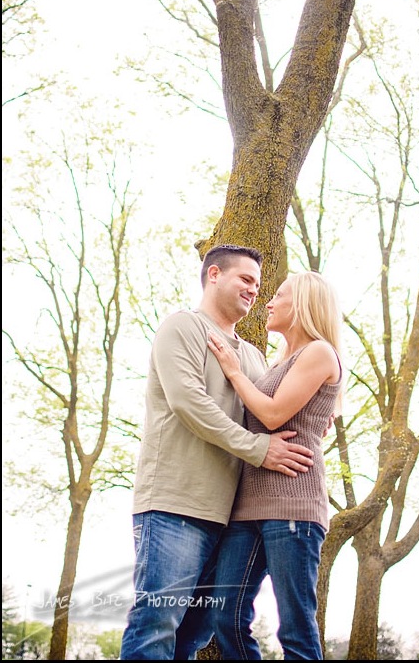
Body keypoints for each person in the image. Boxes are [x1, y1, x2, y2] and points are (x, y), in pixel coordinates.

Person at [120, 245, 315, 661]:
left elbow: (274, 412)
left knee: (191, 638)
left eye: (259, 285)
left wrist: (324, 403)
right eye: (245, 279)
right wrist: (258, 450)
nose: (254, 290)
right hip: (175, 507)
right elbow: (189, 403)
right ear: (212, 275)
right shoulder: (181, 328)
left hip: (228, 522)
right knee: (156, 626)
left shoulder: (252, 357)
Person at [207, 270, 344, 660]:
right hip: (247, 505)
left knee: (297, 630)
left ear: (301, 304)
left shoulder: (318, 352)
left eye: (279, 295)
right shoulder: (279, 364)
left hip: (293, 507)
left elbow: (271, 415)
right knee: (226, 617)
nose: (268, 301)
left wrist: (233, 369)